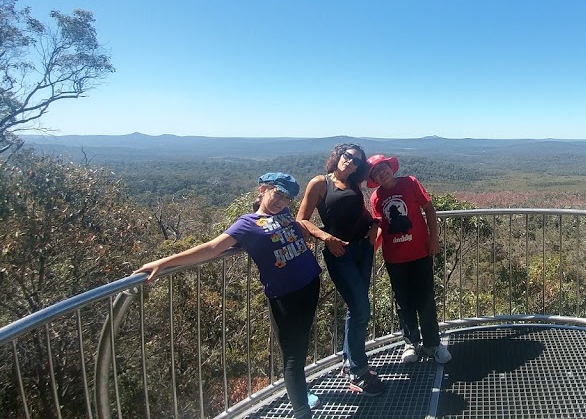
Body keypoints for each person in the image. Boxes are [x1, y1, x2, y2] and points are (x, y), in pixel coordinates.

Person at [134, 173, 322, 419]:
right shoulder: (246, 223)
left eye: (287, 198)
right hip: (284, 295)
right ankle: (301, 411)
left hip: (309, 283)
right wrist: (165, 262)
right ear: (263, 189)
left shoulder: (283, 214)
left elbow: (294, 232)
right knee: (292, 355)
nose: (281, 201)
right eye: (278, 193)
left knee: (302, 341)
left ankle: (300, 392)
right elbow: (212, 248)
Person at [295, 143, 385, 397]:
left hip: (362, 250)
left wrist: (374, 224)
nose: (351, 162)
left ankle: (349, 362)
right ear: (337, 156)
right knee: (361, 310)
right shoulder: (320, 183)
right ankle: (358, 371)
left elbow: (361, 213)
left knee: (355, 308)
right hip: (340, 253)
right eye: (348, 156)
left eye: (357, 161)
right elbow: (301, 220)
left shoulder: (355, 184)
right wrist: (326, 238)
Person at [365, 154, 451, 365]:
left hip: (420, 253)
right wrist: (368, 253)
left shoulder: (410, 183)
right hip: (395, 259)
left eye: (383, 167)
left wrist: (434, 240)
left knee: (426, 300)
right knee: (403, 303)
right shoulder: (376, 198)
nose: (381, 172)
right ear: (374, 178)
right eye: (376, 171)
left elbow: (429, 209)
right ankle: (410, 342)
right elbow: (379, 228)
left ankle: (433, 344)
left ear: (390, 167)